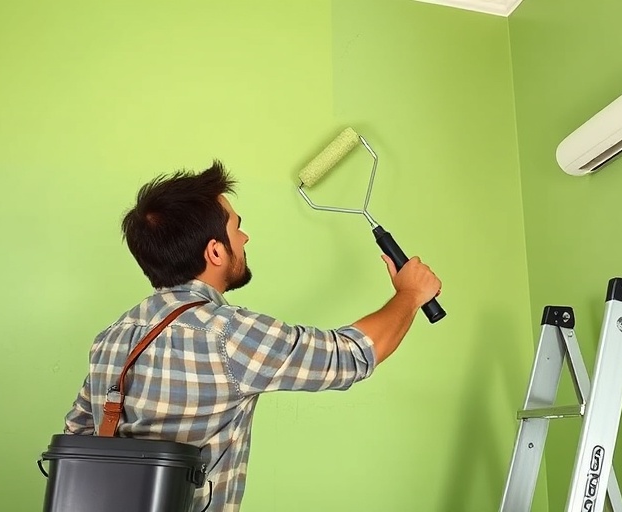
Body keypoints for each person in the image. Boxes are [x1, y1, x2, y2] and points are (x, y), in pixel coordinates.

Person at [62, 161, 442, 511]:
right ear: (214, 252)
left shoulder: (111, 338)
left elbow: (79, 433)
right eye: (236, 227)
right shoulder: (227, 334)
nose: (244, 238)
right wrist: (409, 295)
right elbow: (350, 356)